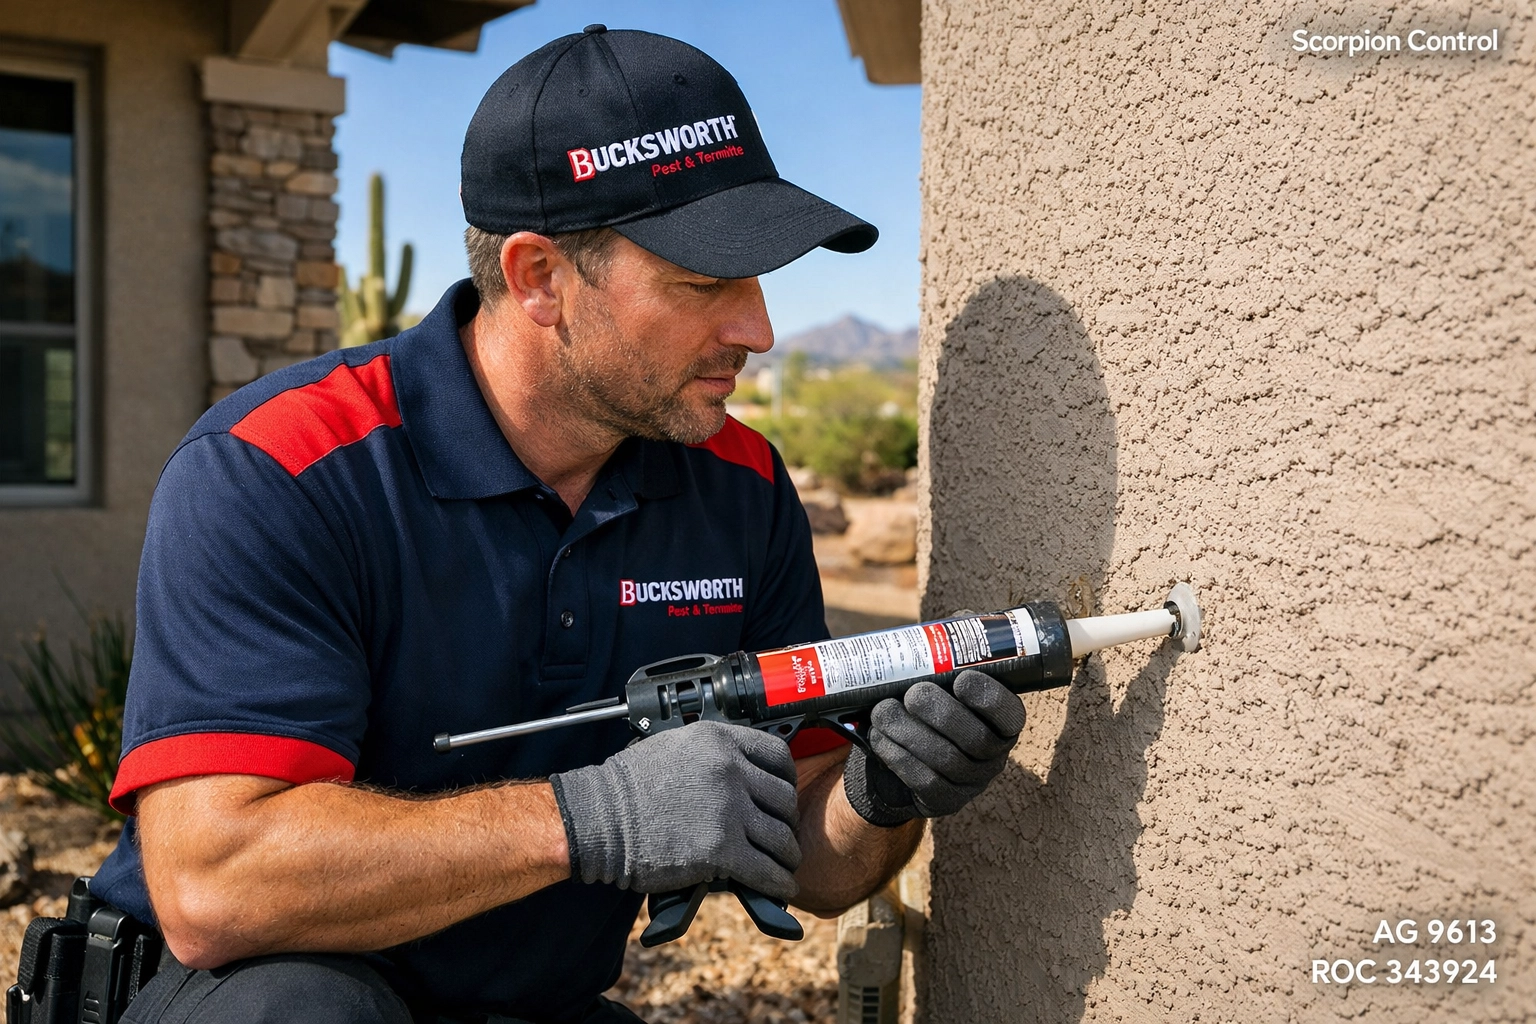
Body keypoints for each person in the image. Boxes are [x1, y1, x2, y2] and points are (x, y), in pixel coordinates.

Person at [91, 27, 1025, 1024]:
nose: (756, 328)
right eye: (704, 283)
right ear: (540, 277)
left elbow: (814, 848)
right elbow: (214, 886)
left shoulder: (738, 487)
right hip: (245, 995)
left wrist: (884, 792)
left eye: (758, 280)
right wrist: (591, 819)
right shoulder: (283, 469)